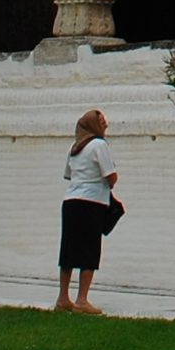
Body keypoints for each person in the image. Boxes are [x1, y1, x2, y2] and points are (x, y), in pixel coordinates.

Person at [55, 108, 118, 314]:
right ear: (93, 125)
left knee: (69, 250)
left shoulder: (75, 148)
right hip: (92, 204)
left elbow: (68, 175)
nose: (105, 125)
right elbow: (111, 176)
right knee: (89, 251)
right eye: (102, 122)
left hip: (70, 202)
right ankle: (82, 300)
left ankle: (63, 298)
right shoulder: (99, 145)